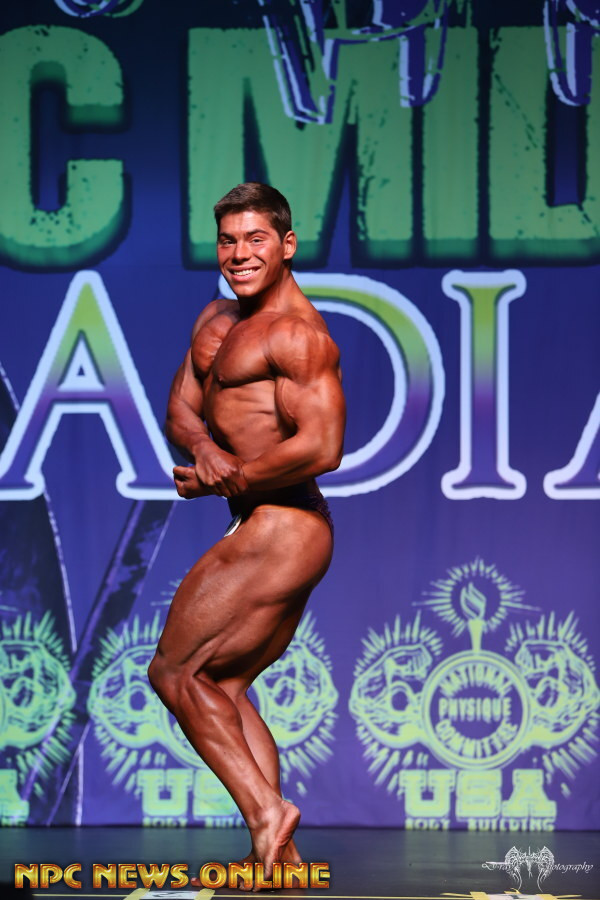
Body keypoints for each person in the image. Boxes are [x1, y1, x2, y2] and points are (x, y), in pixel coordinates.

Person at [148, 183, 345, 890]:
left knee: (175, 673)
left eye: (255, 239)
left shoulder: (299, 335)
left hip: (286, 522)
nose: (239, 253)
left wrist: (227, 478)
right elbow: (181, 408)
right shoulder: (216, 318)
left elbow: (323, 447)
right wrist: (203, 446)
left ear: (286, 245)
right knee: (223, 685)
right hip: (262, 520)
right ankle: (280, 863)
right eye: (228, 240)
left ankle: (267, 813)